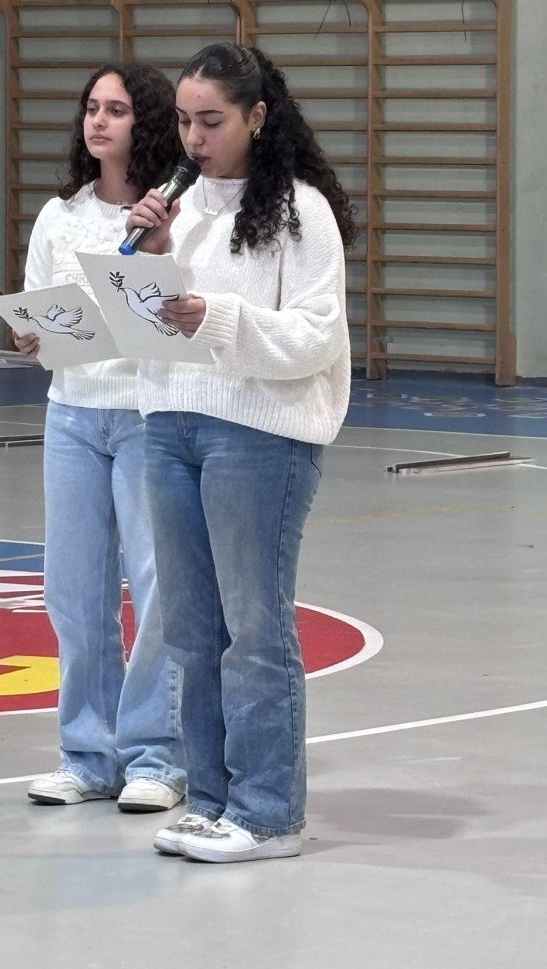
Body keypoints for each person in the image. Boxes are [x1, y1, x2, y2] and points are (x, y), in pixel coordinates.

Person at [124, 42, 355, 861]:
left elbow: (315, 337)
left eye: (211, 121)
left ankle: (267, 815)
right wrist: (151, 260)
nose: (194, 138)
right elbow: (154, 323)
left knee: (254, 628)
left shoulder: (301, 210)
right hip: (169, 424)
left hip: (259, 433)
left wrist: (214, 317)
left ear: (257, 117)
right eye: (184, 121)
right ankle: (213, 801)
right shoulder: (175, 207)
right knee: (190, 629)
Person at [19, 61, 186, 812]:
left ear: (143, 122)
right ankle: (87, 754)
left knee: (155, 587)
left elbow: (178, 312)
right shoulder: (60, 215)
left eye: (116, 109)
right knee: (74, 590)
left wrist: (155, 247)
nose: (98, 121)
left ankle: (158, 756)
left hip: (147, 414)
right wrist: (30, 335)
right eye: (91, 107)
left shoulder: (171, 211)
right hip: (71, 414)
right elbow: (41, 312)